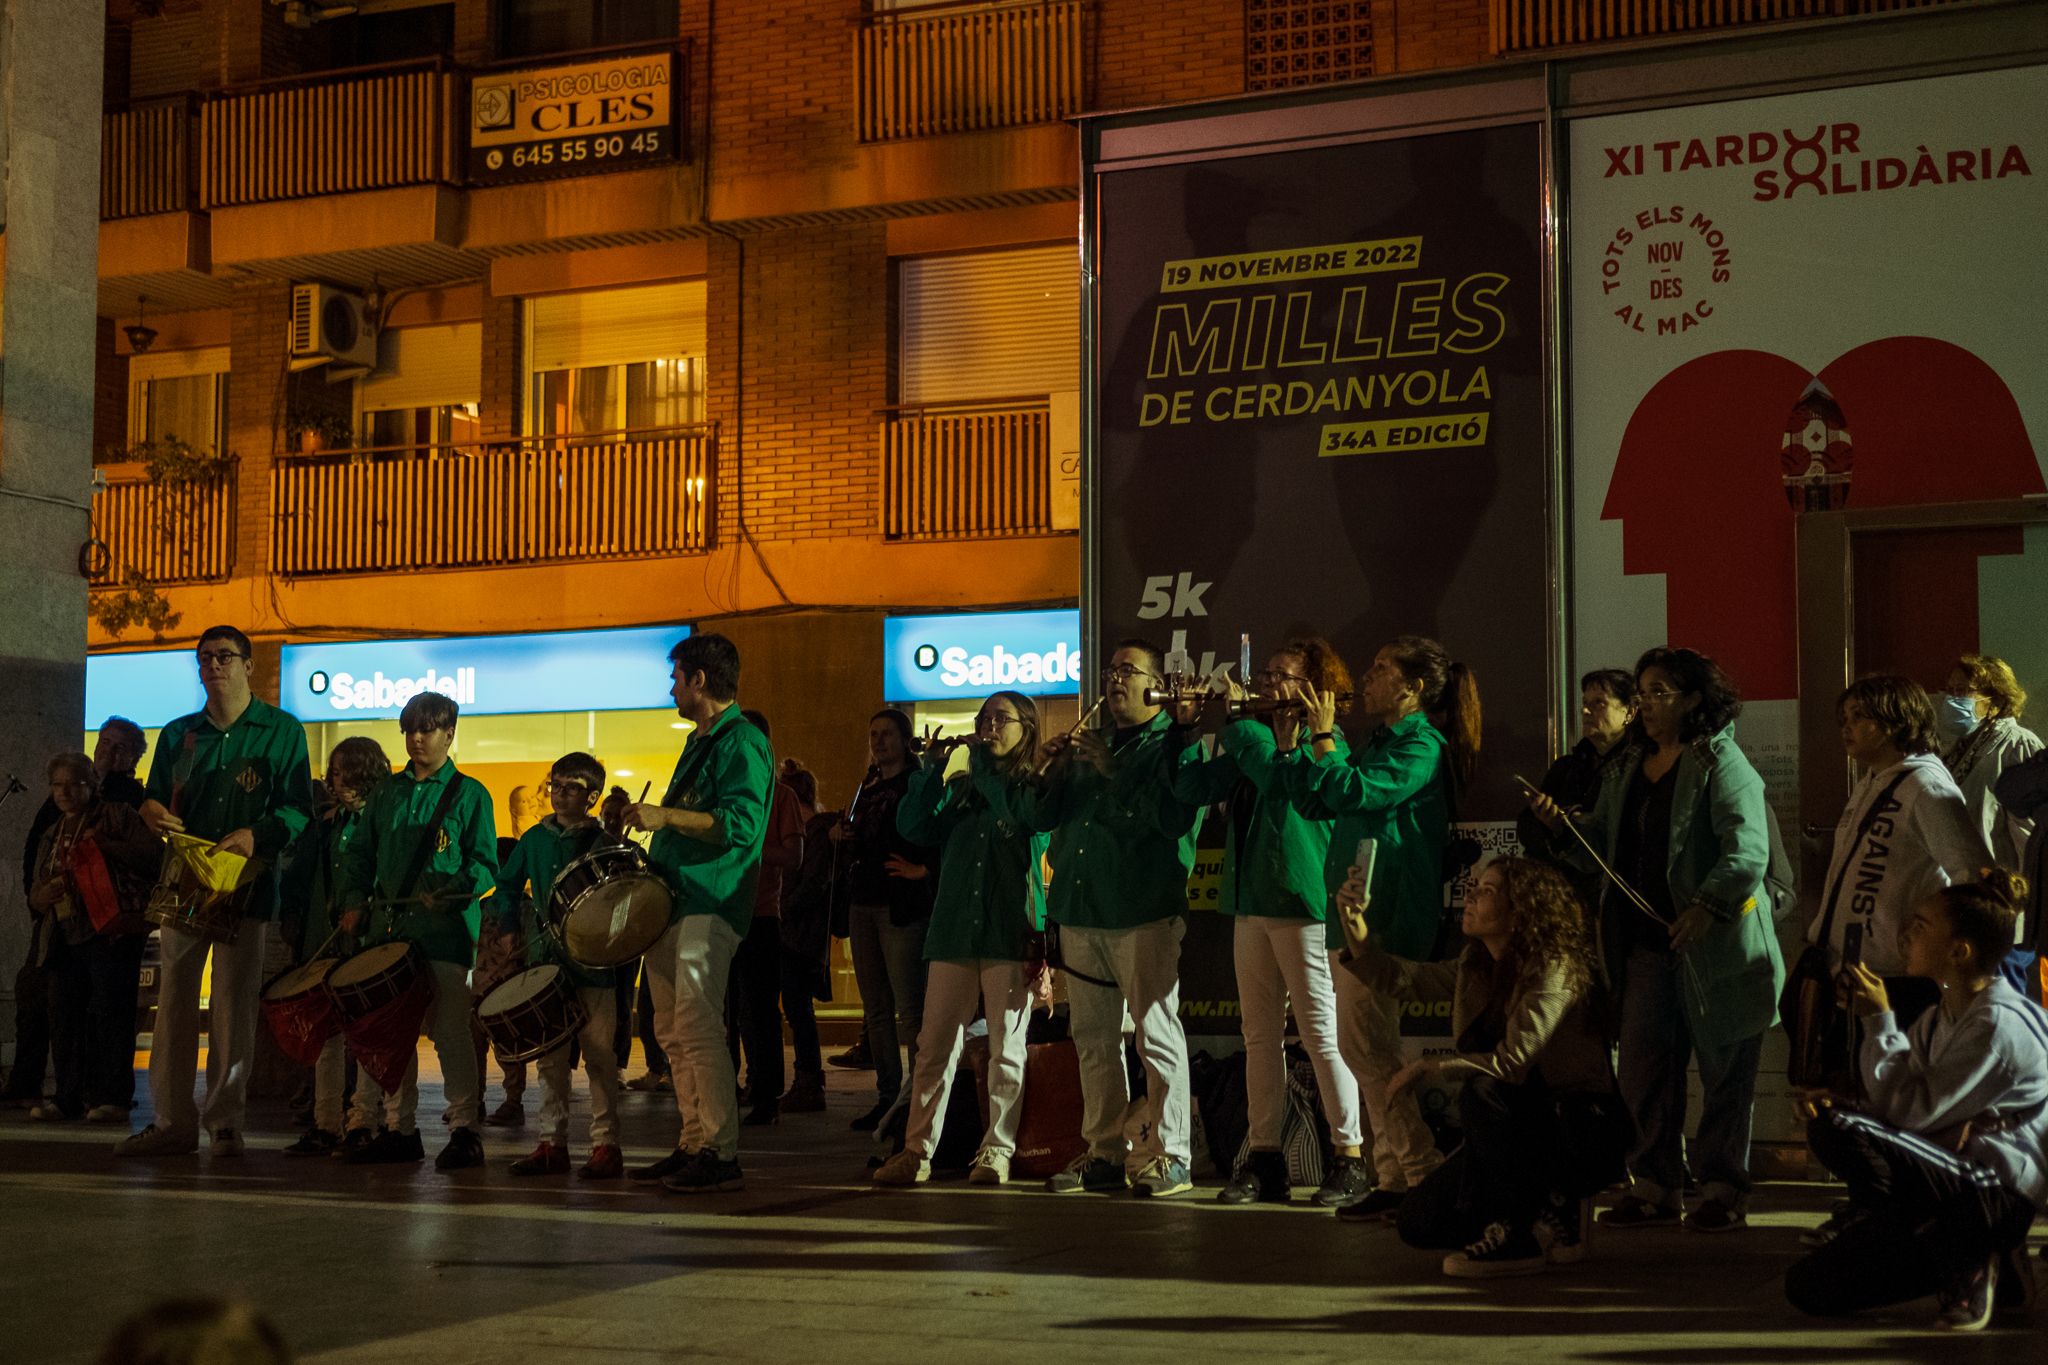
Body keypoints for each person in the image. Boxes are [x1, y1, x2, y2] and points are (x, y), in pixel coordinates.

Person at [1529, 646, 1782, 1233]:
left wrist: (1706, 906)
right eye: (1642, 691)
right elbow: (1603, 845)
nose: (1644, 703)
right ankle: (1656, 1184)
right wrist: (1563, 826)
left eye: (1659, 690)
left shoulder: (1723, 763)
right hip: (1646, 944)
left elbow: (1748, 852)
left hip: (1715, 946)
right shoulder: (1629, 766)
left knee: (1724, 1072)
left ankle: (1721, 1187)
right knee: (1643, 1068)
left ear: (1694, 699)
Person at [1785, 871, 2048, 1331]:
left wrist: (1879, 1020)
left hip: (1991, 1191)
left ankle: (1972, 1248)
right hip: (1951, 1178)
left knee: (1841, 1129)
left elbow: (1908, 1113)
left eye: (1921, 926)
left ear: (1959, 951)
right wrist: (1844, 1099)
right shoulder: (1939, 1016)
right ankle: (1978, 1256)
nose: (1906, 935)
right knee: (1808, 1287)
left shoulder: (1996, 1027)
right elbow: (1902, 1102)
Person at [1335, 855, 1619, 1276]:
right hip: (1521, 1125)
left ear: (1523, 908)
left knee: (1484, 1091)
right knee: (1418, 1222)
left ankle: (1522, 1234)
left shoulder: (1555, 966)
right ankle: (1546, 1208)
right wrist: (1356, 929)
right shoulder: (1477, 963)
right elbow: (1404, 979)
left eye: (1486, 891)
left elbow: (1513, 1062)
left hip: (1577, 1128)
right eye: (1473, 888)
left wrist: (1429, 1068)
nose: (1470, 897)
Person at [1171, 638, 1369, 1208]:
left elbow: (1278, 775)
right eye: (1264, 674)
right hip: (1249, 901)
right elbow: (1191, 788)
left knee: (1319, 1035)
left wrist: (1233, 719)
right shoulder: (1252, 741)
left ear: (1313, 686)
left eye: (1280, 675)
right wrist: (1186, 733)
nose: (1265, 684)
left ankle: (1349, 1155)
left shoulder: (1321, 743)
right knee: (1258, 1038)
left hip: (1300, 901)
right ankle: (1264, 1157)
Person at [1297, 635, 1479, 1222]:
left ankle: (1419, 1171)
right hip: (1350, 909)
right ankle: (1397, 1177)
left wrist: (1326, 740)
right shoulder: (1379, 741)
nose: (1365, 677)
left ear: (1413, 688)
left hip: (1384, 917)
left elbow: (1355, 789)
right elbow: (1320, 799)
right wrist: (1297, 744)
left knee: (1366, 1046)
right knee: (1363, 1047)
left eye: (1379, 668)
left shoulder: (1421, 746)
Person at [118, 627, 314, 1158]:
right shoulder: (181, 733)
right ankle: (171, 1121)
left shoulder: (282, 731)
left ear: (249, 665)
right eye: (204, 657)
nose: (214, 665)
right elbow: (154, 798)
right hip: (186, 881)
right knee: (175, 1002)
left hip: (246, 887)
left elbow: (298, 809)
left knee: (233, 1004)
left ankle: (225, 1122)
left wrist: (256, 836)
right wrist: (151, 810)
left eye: (225, 656)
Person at [1027, 639, 1204, 1198]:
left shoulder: (1173, 747)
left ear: (1157, 685)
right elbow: (1039, 817)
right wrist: (1050, 771)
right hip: (1082, 911)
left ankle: (1170, 1153)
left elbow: (1170, 821)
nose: (1115, 679)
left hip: (1142, 912)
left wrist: (1110, 772)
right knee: (1093, 1038)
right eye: (1110, 671)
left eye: (1129, 670)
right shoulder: (1088, 745)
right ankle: (1103, 1150)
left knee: (1156, 1033)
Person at [873, 691, 1049, 1186]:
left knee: (1005, 1048)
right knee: (933, 1047)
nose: (988, 727)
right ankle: (915, 1151)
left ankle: (997, 1150)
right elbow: (914, 827)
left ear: (1026, 729)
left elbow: (1026, 821)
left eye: (1000, 719)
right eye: (983, 718)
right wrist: (929, 771)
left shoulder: (1030, 786)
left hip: (1006, 934)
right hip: (952, 932)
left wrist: (980, 768)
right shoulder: (963, 787)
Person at [625, 633, 774, 1195]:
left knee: (696, 1025)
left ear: (699, 680)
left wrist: (665, 818)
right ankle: (693, 1140)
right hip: (678, 902)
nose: (671, 688)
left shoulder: (742, 741)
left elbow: (740, 825)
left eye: (676, 678)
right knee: (671, 1028)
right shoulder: (704, 740)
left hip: (709, 902)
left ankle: (719, 1148)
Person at [335, 690, 499, 1171]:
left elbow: (486, 866)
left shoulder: (472, 794)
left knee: (450, 1032)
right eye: (409, 729)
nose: (416, 739)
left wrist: (451, 889)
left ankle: (465, 1128)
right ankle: (398, 1128)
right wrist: (351, 901)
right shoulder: (387, 792)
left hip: (446, 935)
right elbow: (360, 856)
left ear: (450, 733)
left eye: (426, 729)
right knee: (391, 1034)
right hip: (389, 933)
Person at [1813, 677, 1991, 1028]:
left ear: (1897, 720)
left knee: (1893, 1077)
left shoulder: (1926, 786)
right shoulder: (1873, 780)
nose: (1847, 727)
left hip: (1897, 979)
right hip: (1853, 969)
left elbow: (1972, 875)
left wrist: (1931, 945)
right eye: (1843, 719)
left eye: (1859, 716)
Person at [493, 751, 624, 1179]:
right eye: (555, 786)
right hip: (547, 960)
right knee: (550, 1059)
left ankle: (605, 1144)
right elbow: (507, 885)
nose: (559, 795)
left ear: (592, 796)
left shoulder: (604, 842)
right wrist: (510, 925)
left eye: (571, 788)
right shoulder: (534, 839)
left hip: (594, 964)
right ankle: (552, 1142)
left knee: (600, 1055)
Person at [8, 718, 147, 1110]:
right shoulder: (54, 823)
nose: (65, 792)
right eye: (58, 785)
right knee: (59, 1008)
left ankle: (110, 1095)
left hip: (110, 927)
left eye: (74, 784)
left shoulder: (125, 807)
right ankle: (63, 1092)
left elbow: (153, 858)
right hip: (61, 926)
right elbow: (34, 868)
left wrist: (105, 846)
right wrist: (39, 899)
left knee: (108, 1011)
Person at [281, 737, 390, 1157]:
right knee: (326, 1033)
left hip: (364, 938)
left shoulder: (378, 821)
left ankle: (363, 1118)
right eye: (335, 771)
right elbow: (300, 875)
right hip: (321, 935)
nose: (336, 779)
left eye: (345, 771)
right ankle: (326, 1122)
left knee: (364, 1033)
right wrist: (292, 916)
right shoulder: (325, 823)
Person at [835, 708, 935, 1132]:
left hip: (898, 905)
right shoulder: (868, 786)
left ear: (904, 738)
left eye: (887, 734)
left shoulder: (915, 782)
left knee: (910, 1010)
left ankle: (915, 1099)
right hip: (864, 902)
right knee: (875, 1009)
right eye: (873, 734)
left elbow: (935, 830)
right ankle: (887, 1096)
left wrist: (924, 869)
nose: (878, 741)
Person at [1940, 655, 2041, 993]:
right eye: (1949, 689)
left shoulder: (2017, 744)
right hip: (1965, 905)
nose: (1952, 698)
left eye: (1963, 691)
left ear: (1994, 700)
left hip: (2003, 909)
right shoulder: (1957, 748)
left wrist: (2020, 897)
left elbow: (2030, 837)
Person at [727, 709, 804, 1127]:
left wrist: (746, 852)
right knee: (723, 1010)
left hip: (758, 914)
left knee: (758, 1009)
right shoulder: (723, 793)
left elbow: (793, 856)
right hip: (721, 912)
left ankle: (767, 1091)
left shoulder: (781, 796)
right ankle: (730, 1087)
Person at [1516, 670, 1637, 895]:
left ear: (1629, 712)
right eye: (1584, 703)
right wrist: (1553, 823)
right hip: (1561, 892)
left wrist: (1568, 823)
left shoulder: (1638, 769)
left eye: (1599, 703)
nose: (1585, 710)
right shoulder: (1566, 767)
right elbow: (1527, 826)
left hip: (1615, 892)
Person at [777, 761, 832, 1112]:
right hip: (799, 930)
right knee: (797, 1009)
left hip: (798, 931)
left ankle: (809, 1080)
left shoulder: (814, 833)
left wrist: (783, 910)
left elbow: (811, 883)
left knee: (798, 1009)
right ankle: (806, 1079)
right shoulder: (819, 831)